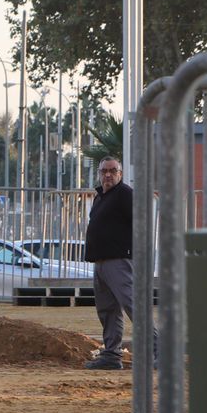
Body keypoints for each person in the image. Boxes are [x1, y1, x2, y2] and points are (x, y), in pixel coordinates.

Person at [83, 155, 134, 370]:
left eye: (113, 171)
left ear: (120, 174)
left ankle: (158, 350)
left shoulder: (125, 194)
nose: (108, 174)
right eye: (104, 171)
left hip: (119, 261)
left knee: (133, 306)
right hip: (101, 262)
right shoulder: (100, 197)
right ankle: (112, 355)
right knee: (107, 311)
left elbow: (139, 222)